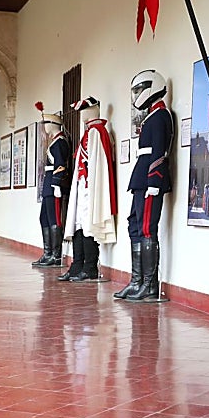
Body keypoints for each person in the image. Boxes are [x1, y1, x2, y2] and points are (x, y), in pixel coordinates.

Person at [115, 70, 173, 301]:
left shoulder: (161, 116)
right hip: (141, 179)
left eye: (140, 89)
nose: (137, 95)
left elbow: (159, 151)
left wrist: (154, 181)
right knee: (135, 225)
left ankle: (149, 285)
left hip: (150, 179)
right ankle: (137, 280)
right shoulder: (152, 116)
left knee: (148, 228)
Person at [59, 96, 116, 282]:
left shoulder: (97, 132)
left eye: (84, 110)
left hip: (90, 186)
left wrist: (91, 185)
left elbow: (97, 163)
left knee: (88, 224)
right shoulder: (89, 132)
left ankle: (90, 266)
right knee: (78, 223)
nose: (82, 114)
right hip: (82, 185)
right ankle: (77, 264)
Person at [32, 102, 70, 268]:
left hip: (54, 185)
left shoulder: (60, 142)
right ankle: (47, 252)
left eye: (46, 123)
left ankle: (55, 255)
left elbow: (60, 165)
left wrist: (55, 185)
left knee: (55, 220)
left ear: (54, 125)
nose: (45, 127)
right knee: (44, 219)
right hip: (48, 184)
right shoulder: (53, 142)